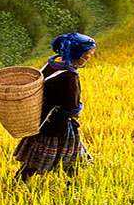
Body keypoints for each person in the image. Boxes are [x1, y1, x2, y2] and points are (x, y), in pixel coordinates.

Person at [14, 32, 95, 181]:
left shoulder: (51, 65)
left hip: (41, 118)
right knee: (70, 157)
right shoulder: (70, 77)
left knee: (36, 156)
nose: (88, 58)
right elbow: (72, 106)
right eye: (87, 55)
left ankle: (20, 180)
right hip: (59, 124)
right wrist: (78, 110)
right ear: (78, 55)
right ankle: (73, 184)